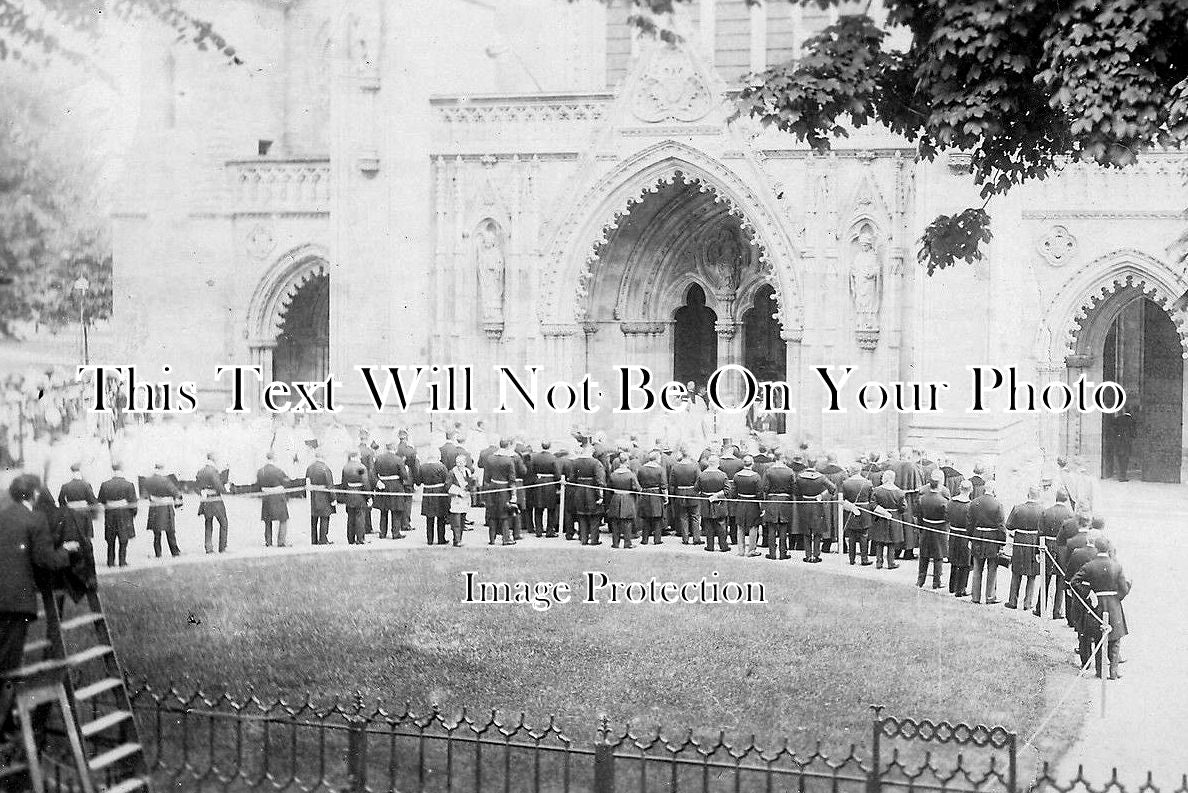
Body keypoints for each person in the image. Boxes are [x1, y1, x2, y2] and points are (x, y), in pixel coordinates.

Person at [1, 474, 78, 739]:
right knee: (8, 667)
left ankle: (7, 724)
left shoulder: (2, 516)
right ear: (34, 494)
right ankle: (3, 729)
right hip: (15, 603)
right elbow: (46, 560)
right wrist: (67, 551)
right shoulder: (36, 519)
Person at [1070, 535, 1130, 679]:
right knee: (1115, 639)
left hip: (1097, 605)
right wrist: (1118, 598)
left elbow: (1074, 582)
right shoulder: (1117, 566)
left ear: (1096, 548)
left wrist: (1089, 593)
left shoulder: (1090, 565)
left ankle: (1100, 671)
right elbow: (1123, 589)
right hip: (1114, 605)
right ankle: (1113, 671)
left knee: (1098, 637)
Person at [1005, 487, 1045, 611]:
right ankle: (1027, 603)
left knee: (1016, 571)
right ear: (1038, 496)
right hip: (1034, 541)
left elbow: (1009, 525)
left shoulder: (1018, 508)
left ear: (1028, 495)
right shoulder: (1042, 510)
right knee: (1032, 573)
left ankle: (1012, 601)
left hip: (1020, 540)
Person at [1038, 490, 1075, 619]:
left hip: (1047, 545)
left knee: (1045, 577)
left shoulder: (1046, 512)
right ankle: (1057, 611)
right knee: (1061, 580)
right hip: (1063, 548)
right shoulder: (1070, 514)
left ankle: (1039, 608)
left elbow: (1040, 532)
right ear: (1066, 500)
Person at [968, 482, 1005, 605]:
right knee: (992, 568)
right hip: (992, 539)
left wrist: (970, 538)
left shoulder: (974, 503)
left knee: (977, 568)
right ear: (993, 490)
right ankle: (990, 597)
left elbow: (970, 523)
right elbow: (1001, 526)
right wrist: (1002, 543)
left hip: (977, 537)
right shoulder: (998, 504)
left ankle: (975, 597)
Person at [794, 458, 836, 563]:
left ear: (807, 464)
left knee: (806, 532)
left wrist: (802, 496)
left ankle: (808, 555)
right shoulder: (821, 477)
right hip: (817, 505)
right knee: (817, 532)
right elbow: (833, 488)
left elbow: (795, 491)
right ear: (815, 465)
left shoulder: (800, 477)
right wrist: (822, 495)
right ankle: (816, 555)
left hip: (804, 505)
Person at [98, 463, 138, 567]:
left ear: (113, 471)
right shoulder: (128, 484)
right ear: (122, 470)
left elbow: (101, 501)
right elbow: (133, 503)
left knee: (110, 539)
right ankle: (122, 561)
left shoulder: (105, 484)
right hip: (124, 514)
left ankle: (110, 562)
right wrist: (133, 514)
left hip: (110, 514)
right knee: (123, 538)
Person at [484, 439, 522, 546]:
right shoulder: (508, 460)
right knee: (504, 514)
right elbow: (512, 479)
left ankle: (492, 538)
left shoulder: (490, 458)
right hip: (504, 489)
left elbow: (486, 477)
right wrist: (513, 495)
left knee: (492, 513)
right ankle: (506, 539)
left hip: (492, 487)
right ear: (508, 446)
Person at [760, 453, 797, 560]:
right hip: (785, 501)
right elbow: (794, 488)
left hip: (771, 500)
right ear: (783, 459)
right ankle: (782, 553)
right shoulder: (790, 472)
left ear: (775, 459)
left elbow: (764, 487)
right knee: (783, 528)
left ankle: (772, 553)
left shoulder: (768, 471)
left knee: (771, 527)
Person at [143, 462, 183, 558]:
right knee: (170, 530)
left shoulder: (148, 480)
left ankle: (158, 553)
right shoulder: (165, 480)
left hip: (154, 507)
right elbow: (176, 493)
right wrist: (179, 498)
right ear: (162, 469)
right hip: (165, 507)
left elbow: (146, 494)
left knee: (156, 532)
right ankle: (174, 552)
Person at [916, 473, 949, 589]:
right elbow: (947, 517)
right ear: (939, 484)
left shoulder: (922, 498)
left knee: (924, 555)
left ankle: (920, 580)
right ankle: (936, 581)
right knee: (938, 556)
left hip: (926, 527)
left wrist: (920, 526)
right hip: (940, 529)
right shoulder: (943, 501)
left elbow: (918, 514)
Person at [373, 442, 410, 540]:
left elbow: (373, 474)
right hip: (396, 487)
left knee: (383, 511)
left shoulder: (379, 459)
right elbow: (404, 476)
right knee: (396, 511)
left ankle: (383, 533)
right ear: (394, 448)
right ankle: (395, 533)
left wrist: (378, 482)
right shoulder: (398, 459)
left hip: (383, 486)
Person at [869, 470, 905, 570]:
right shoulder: (899, 492)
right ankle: (891, 562)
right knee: (891, 541)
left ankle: (879, 562)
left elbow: (872, 504)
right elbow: (903, 507)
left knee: (879, 540)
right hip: (894, 517)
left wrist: (882, 511)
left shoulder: (877, 490)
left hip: (879, 517)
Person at [571, 444, 606, 546]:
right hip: (592, 491)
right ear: (591, 452)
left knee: (582, 515)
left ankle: (584, 538)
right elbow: (600, 480)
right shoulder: (596, 463)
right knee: (595, 516)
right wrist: (601, 496)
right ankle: (594, 539)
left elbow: (572, 478)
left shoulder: (575, 462)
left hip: (579, 491)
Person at [195, 452, 229, 554]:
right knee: (223, 523)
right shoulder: (213, 471)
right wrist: (225, 489)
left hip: (205, 501)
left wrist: (202, 493)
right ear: (213, 459)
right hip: (216, 501)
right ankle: (222, 548)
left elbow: (196, 487)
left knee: (208, 523)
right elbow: (218, 486)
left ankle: (208, 548)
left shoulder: (200, 471)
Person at [605, 454, 640, 549]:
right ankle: (627, 543)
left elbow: (608, 489)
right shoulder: (631, 475)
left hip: (615, 498)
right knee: (627, 522)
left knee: (615, 522)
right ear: (627, 462)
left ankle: (615, 543)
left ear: (619, 462)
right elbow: (637, 488)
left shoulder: (613, 475)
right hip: (628, 499)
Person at [840, 463, 873, 566]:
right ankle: (864, 559)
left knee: (852, 535)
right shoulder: (868, 483)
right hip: (865, 510)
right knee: (864, 535)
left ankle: (851, 559)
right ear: (860, 470)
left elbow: (843, 499)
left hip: (850, 510)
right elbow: (871, 498)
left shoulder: (845, 483)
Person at [57, 462, 98, 544]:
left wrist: (67, 509)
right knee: (85, 538)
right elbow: (92, 501)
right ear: (80, 472)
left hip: (70, 514)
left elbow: (61, 500)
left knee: (72, 537)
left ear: (72, 472)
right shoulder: (86, 485)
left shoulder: (66, 486)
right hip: (83, 513)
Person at [528, 441, 562, 538]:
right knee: (551, 509)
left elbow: (532, 470)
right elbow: (558, 474)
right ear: (550, 446)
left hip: (539, 483)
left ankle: (538, 530)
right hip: (550, 484)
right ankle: (549, 531)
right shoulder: (553, 458)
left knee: (538, 508)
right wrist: (558, 485)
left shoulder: (535, 457)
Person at [946, 480, 974, 597]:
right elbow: (972, 522)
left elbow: (946, 516)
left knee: (954, 560)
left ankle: (952, 587)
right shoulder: (970, 505)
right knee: (964, 563)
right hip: (964, 536)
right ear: (971, 490)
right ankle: (960, 589)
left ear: (959, 488)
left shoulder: (951, 502)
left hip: (953, 532)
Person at [697, 455, 730, 553]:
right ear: (718, 464)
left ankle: (710, 546)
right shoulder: (723, 475)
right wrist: (717, 495)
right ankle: (723, 546)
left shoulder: (702, 475)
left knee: (708, 525)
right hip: (720, 503)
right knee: (721, 525)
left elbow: (696, 488)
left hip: (706, 503)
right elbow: (727, 490)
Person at [668, 447, 702, 545]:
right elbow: (699, 480)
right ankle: (696, 538)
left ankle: (685, 538)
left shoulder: (675, 467)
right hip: (693, 493)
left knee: (683, 517)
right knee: (695, 517)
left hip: (680, 493)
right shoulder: (695, 466)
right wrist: (697, 490)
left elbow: (672, 483)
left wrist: (673, 495)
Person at [417, 449, 450, 545]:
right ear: (438, 457)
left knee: (429, 518)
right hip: (439, 493)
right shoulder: (441, 466)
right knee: (441, 517)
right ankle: (441, 539)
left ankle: (430, 540)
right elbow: (446, 480)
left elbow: (419, 481)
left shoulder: (422, 467)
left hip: (427, 492)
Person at [731, 455, 762, 557]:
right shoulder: (756, 476)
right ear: (752, 463)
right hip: (752, 503)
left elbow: (734, 493)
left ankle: (741, 550)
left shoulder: (736, 476)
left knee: (740, 526)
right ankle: (751, 550)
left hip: (741, 502)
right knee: (753, 527)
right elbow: (759, 494)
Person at [636, 450, 668, 546]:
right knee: (657, 518)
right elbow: (663, 485)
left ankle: (644, 539)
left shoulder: (641, 469)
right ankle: (657, 539)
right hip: (656, 495)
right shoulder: (660, 469)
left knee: (646, 518)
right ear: (657, 458)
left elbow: (638, 481)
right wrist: (666, 498)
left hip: (645, 493)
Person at [305, 449, 336, 545]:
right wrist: (333, 498)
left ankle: (314, 540)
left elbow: (307, 481)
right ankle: (323, 539)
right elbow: (330, 485)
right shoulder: (325, 468)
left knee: (314, 518)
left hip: (314, 495)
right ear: (323, 457)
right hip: (323, 495)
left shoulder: (310, 467)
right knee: (324, 517)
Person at [340, 451, 370, 545]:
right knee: (360, 517)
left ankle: (350, 539)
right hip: (359, 495)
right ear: (357, 456)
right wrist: (368, 496)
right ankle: (360, 538)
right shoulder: (361, 467)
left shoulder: (345, 467)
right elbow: (365, 482)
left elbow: (343, 483)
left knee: (350, 517)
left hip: (349, 494)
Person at [447, 453, 475, 546]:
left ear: (465, 463)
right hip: (456, 499)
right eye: (457, 462)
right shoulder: (452, 472)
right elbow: (447, 486)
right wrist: (458, 492)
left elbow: (470, 484)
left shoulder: (467, 471)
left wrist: (470, 487)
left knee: (462, 521)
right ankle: (456, 540)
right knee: (456, 521)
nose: (459, 464)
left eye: (461, 462)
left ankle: (460, 539)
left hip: (465, 499)